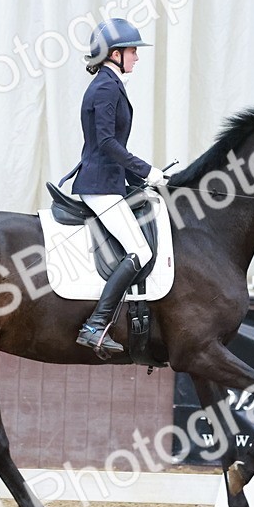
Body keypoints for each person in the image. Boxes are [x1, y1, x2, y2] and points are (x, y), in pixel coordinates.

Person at [59, 18, 167, 356]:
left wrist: (139, 181)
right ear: (116, 54)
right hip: (100, 185)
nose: (137, 56)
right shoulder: (106, 88)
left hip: (110, 182)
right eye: (133, 50)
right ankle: (95, 325)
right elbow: (105, 142)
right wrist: (145, 170)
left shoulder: (111, 84)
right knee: (141, 251)